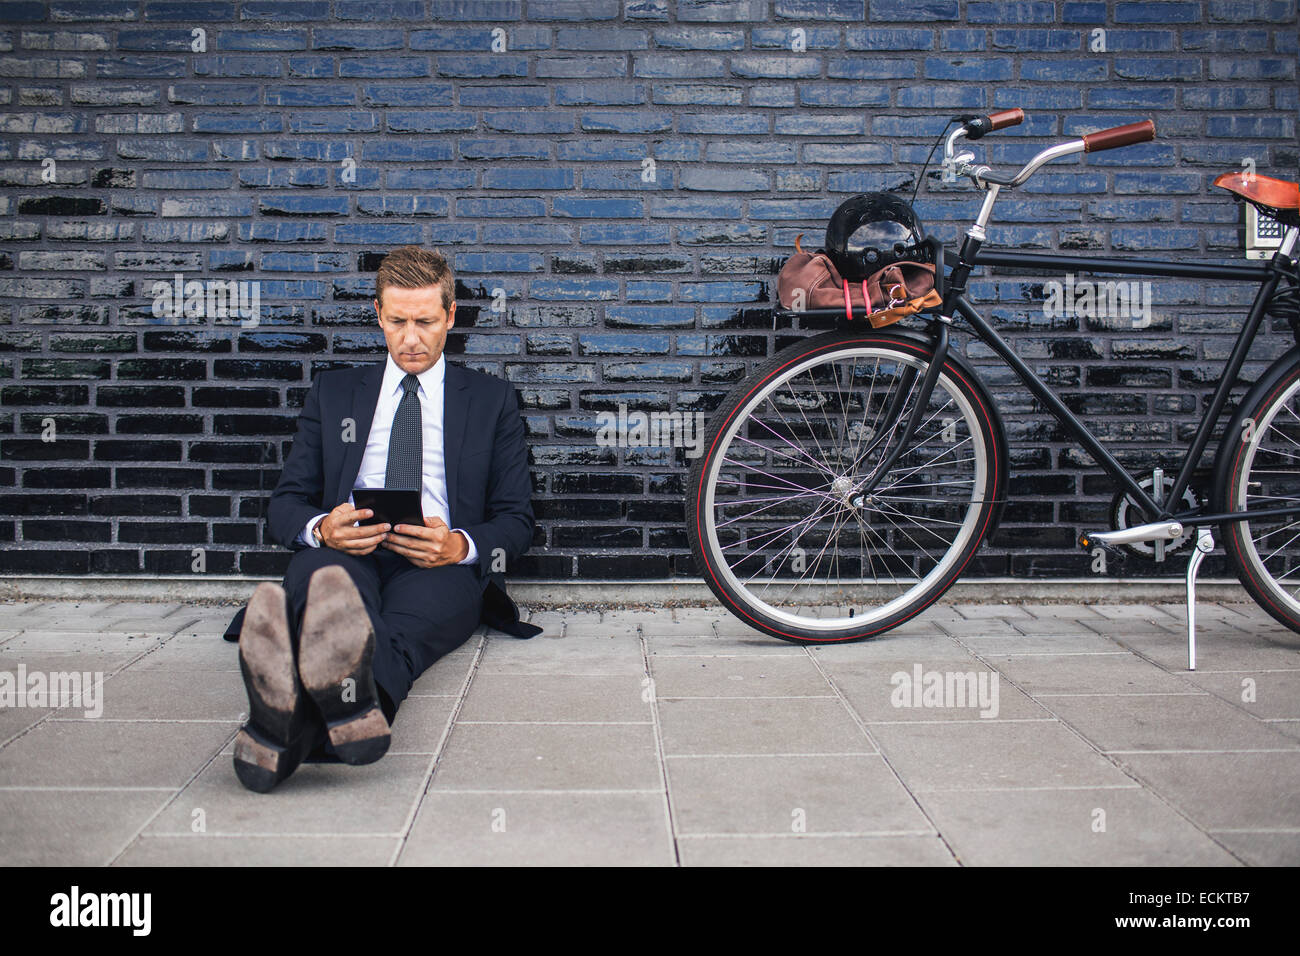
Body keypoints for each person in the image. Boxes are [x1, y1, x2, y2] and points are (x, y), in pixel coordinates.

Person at [223, 245, 539, 793]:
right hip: (342, 554)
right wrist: (323, 528)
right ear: (377, 315)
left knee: (396, 635)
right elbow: (285, 504)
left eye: (425, 321)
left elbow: (517, 521)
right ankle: (353, 720)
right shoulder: (334, 393)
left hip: (436, 567)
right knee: (332, 596)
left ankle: (286, 724)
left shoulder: (491, 400)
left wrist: (459, 545)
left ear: (451, 316)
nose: (411, 338)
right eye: (397, 322)